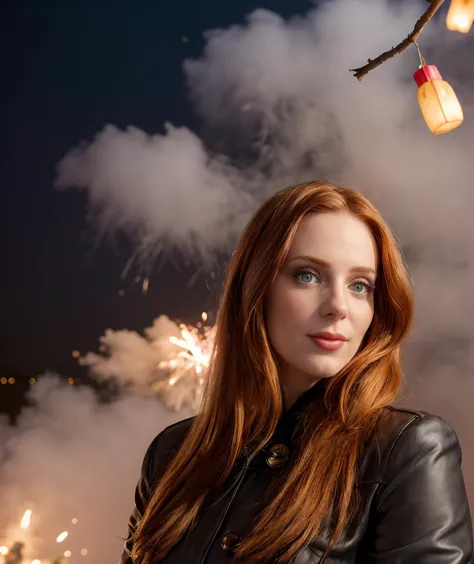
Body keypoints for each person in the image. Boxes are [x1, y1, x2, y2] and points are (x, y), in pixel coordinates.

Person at [120, 181, 473, 564]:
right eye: (307, 275)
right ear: (256, 289)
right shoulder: (172, 452)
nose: (338, 306)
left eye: (360, 285)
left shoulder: (407, 450)